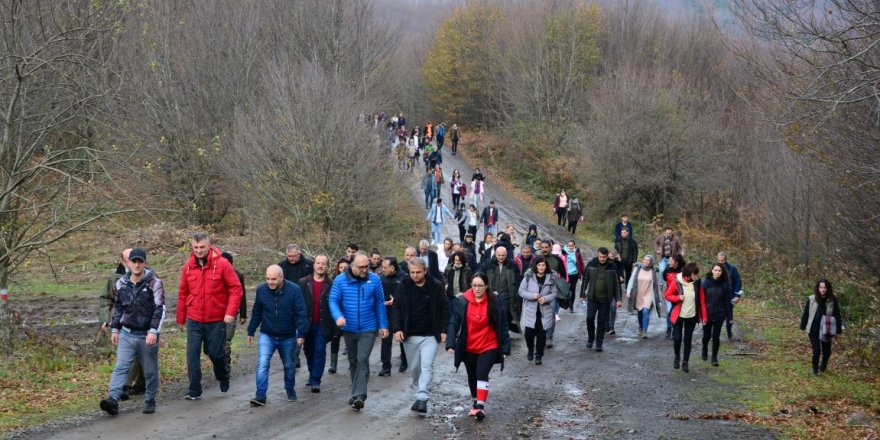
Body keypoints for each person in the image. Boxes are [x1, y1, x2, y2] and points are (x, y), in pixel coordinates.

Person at [177, 233, 243, 400]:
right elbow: (183, 292)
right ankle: (194, 389)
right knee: (192, 354)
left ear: (209, 246)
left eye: (202, 247)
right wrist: (180, 318)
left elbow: (236, 289)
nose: (199, 251)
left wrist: (230, 312)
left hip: (216, 319)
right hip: (194, 318)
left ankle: (223, 374)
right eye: (196, 247)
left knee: (215, 353)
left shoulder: (222, 264)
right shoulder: (188, 267)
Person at [100, 248, 165, 416]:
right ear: (127, 263)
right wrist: (115, 329)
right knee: (121, 367)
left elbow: (160, 309)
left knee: (150, 371)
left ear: (144, 263)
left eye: (140, 261)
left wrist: (153, 331)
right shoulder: (120, 284)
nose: (136, 265)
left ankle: (150, 399)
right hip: (127, 334)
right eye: (133, 261)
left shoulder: (154, 283)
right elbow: (119, 308)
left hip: (147, 335)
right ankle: (113, 400)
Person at [329, 254, 389, 410]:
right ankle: (355, 394)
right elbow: (333, 300)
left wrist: (383, 325)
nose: (364, 270)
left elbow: (379, 304)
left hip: (369, 328)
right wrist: (338, 316)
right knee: (353, 361)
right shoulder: (340, 280)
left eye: (366, 267)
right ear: (352, 266)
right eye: (361, 267)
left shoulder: (374, 280)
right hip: (349, 328)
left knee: (362, 358)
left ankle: (360, 395)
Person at [446, 273, 510, 422]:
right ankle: (475, 401)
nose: (477, 288)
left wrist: (505, 347)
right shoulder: (462, 301)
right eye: (474, 285)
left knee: (482, 372)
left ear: (486, 286)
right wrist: (450, 342)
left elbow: (503, 324)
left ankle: (480, 406)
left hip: (489, 344)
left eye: (480, 285)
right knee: (472, 375)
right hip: (469, 345)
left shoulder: (494, 301)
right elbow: (454, 322)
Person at [390, 258, 450, 414]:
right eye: (412, 272)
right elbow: (396, 307)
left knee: (426, 366)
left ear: (425, 271)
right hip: (410, 334)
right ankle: (418, 393)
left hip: (430, 334)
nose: (415, 275)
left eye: (418, 272)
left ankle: (422, 397)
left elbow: (445, 308)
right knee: (415, 368)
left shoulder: (436, 286)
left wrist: (444, 330)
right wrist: (397, 329)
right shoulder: (404, 285)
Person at [247, 265, 308, 406]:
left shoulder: (294, 290)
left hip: (288, 335)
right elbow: (257, 311)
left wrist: (301, 333)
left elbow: (301, 313)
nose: (270, 282)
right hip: (267, 334)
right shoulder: (261, 290)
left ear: (281, 277)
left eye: (273, 279)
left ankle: (290, 389)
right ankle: (260, 395)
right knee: (262, 363)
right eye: (267, 279)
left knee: (289, 365)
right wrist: (251, 330)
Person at [99, 248, 145, 401]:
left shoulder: (148, 275)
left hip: (143, 325)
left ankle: (138, 384)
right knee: (125, 358)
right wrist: (105, 319)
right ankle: (122, 388)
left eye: (136, 260)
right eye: (129, 260)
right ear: (124, 262)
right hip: (124, 324)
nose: (134, 263)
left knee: (142, 356)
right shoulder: (115, 279)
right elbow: (106, 299)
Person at [299, 254, 332, 393]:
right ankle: (313, 373)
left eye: (323, 263)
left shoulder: (331, 284)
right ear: (313, 265)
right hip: (307, 323)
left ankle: (315, 380)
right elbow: (298, 303)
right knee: (309, 350)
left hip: (322, 323)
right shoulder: (303, 282)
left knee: (319, 350)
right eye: (318, 263)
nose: (320, 266)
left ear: (327, 266)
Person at [665, 262, 704, 373]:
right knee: (677, 338)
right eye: (694, 274)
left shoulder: (697, 283)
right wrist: (678, 297)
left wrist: (704, 317)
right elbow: (667, 295)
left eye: (696, 274)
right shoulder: (677, 282)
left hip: (691, 316)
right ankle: (677, 357)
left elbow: (702, 301)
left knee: (688, 340)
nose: (696, 276)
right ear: (689, 273)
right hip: (678, 315)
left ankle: (685, 362)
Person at [581, 247, 622, 352]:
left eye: (604, 257)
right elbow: (585, 279)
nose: (602, 259)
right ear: (597, 255)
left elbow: (616, 284)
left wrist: (618, 298)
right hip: (592, 298)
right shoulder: (591, 264)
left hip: (605, 299)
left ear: (607, 256)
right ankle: (591, 338)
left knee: (601, 321)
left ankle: (599, 343)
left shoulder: (612, 266)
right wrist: (582, 293)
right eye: (600, 257)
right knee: (589, 318)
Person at [518, 257, 557, 365]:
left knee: (542, 335)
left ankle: (539, 354)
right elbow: (521, 291)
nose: (541, 267)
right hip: (531, 309)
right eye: (539, 265)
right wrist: (532, 296)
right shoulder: (528, 277)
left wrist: (546, 298)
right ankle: (530, 349)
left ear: (546, 266)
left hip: (544, 311)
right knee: (529, 334)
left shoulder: (551, 278)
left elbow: (554, 293)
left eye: (543, 265)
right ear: (535, 266)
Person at [800, 279, 843, 376]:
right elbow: (806, 313)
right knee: (816, 350)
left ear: (828, 289)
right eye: (821, 287)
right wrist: (803, 326)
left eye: (824, 287)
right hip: (814, 328)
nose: (822, 289)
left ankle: (823, 365)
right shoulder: (812, 299)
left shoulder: (832, 300)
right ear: (818, 288)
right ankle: (814, 369)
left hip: (826, 329)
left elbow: (837, 314)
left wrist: (838, 329)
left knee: (827, 352)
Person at [220, 252, 248, 381]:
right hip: (216, 313)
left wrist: (243, 313)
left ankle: (225, 367)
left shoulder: (237, 275)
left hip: (231, 313)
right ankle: (219, 364)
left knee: (226, 341)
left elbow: (241, 294)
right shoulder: (215, 274)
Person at [379, 257, 407, 376]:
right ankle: (386, 367)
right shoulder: (381, 278)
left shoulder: (404, 278)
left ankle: (404, 362)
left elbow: (409, 297)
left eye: (385, 267)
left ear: (392, 268)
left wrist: (397, 301)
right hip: (386, 312)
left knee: (402, 338)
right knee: (386, 338)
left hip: (401, 313)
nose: (382, 269)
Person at [625, 255, 663, 338]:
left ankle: (645, 331)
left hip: (648, 294)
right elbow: (631, 280)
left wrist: (659, 298)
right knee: (640, 312)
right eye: (644, 259)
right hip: (638, 293)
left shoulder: (653, 271)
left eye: (648, 260)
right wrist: (628, 291)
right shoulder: (637, 268)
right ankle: (641, 328)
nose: (645, 261)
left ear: (651, 262)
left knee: (645, 311)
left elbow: (657, 286)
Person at [325, 257, 351, 374]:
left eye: (345, 267)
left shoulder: (355, 280)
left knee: (350, 339)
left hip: (350, 313)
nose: (343, 269)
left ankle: (352, 362)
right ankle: (333, 364)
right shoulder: (334, 281)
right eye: (341, 267)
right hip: (337, 314)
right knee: (335, 337)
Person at [486, 245, 520, 333]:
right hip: (492, 295)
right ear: (495, 254)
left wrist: (516, 293)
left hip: (507, 296)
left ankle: (503, 334)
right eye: (499, 255)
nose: (501, 257)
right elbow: (482, 276)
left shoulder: (512, 264)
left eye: (503, 255)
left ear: (506, 254)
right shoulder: (489, 264)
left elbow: (517, 280)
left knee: (504, 316)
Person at [701, 263, 729, 367]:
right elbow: (701, 300)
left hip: (719, 313)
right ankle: (704, 348)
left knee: (716, 336)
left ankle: (714, 358)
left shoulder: (724, 284)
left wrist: (729, 316)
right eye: (715, 270)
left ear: (722, 272)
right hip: (707, 313)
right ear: (712, 270)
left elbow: (727, 301)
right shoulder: (705, 283)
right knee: (706, 336)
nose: (717, 272)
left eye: (719, 271)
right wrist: (701, 313)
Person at [717, 252, 743, 339]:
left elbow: (738, 282)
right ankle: (715, 333)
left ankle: (729, 331)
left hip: (730, 295)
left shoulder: (732, 268)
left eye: (723, 260)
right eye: (719, 260)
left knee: (729, 315)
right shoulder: (715, 269)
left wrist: (737, 295)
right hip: (718, 296)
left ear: (726, 259)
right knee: (718, 315)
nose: (721, 262)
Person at [662, 254, 686, 339]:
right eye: (669, 261)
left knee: (677, 313)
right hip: (669, 294)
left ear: (676, 263)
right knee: (669, 312)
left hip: (680, 295)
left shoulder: (682, 271)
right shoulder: (667, 270)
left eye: (671, 261)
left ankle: (676, 330)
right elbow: (664, 278)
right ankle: (669, 328)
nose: (669, 262)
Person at [561, 241, 585, 314]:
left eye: (572, 246)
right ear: (567, 246)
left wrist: (584, 273)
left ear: (574, 246)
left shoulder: (577, 254)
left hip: (574, 274)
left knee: (572, 290)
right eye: (569, 246)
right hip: (566, 274)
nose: (570, 247)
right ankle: (565, 302)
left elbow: (581, 264)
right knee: (565, 290)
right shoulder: (564, 253)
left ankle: (571, 306)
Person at [614, 228, 639, 294]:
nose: (622, 234)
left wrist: (634, 261)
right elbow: (615, 249)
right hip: (620, 260)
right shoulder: (618, 239)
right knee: (619, 274)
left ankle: (627, 287)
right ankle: (618, 288)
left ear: (627, 233)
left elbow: (635, 251)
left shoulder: (632, 241)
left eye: (624, 232)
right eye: (622, 232)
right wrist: (615, 257)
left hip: (629, 261)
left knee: (628, 274)